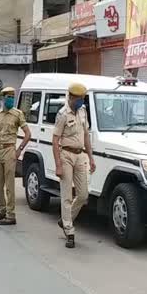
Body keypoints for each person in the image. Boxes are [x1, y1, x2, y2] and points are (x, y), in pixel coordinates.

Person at [52, 82, 96, 248]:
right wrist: (58, 164)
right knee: (66, 195)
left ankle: (65, 218)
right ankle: (69, 231)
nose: (80, 101)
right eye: (78, 98)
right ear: (71, 97)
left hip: (80, 155)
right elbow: (55, 140)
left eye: (83, 98)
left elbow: (86, 136)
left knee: (84, 194)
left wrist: (91, 158)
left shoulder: (83, 112)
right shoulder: (63, 114)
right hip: (66, 155)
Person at [0, 87, 31, 226]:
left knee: (9, 185)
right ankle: (1, 209)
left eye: (13, 97)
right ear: (3, 98)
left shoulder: (17, 114)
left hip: (10, 151)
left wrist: (19, 150)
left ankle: (11, 215)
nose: (11, 99)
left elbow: (27, 134)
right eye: (9, 97)